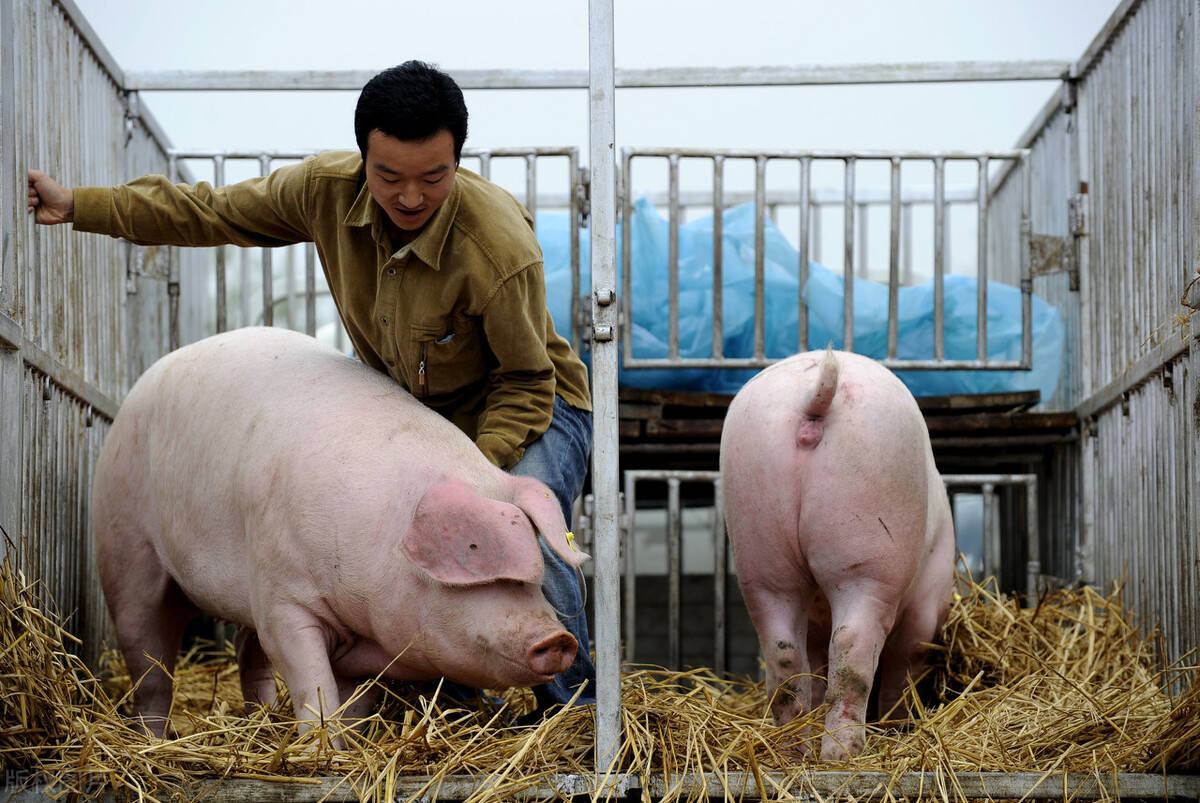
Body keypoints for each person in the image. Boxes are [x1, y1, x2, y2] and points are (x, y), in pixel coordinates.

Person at [27, 60, 595, 715]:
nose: (410, 196)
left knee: (522, 539)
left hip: (534, 409)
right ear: (363, 159)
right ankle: (460, 716)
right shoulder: (324, 190)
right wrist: (80, 206)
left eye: (433, 178)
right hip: (420, 417)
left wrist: (475, 482)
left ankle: (571, 717)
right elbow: (211, 212)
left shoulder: (497, 247)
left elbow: (528, 383)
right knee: (420, 569)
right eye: (389, 177)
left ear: (457, 163)